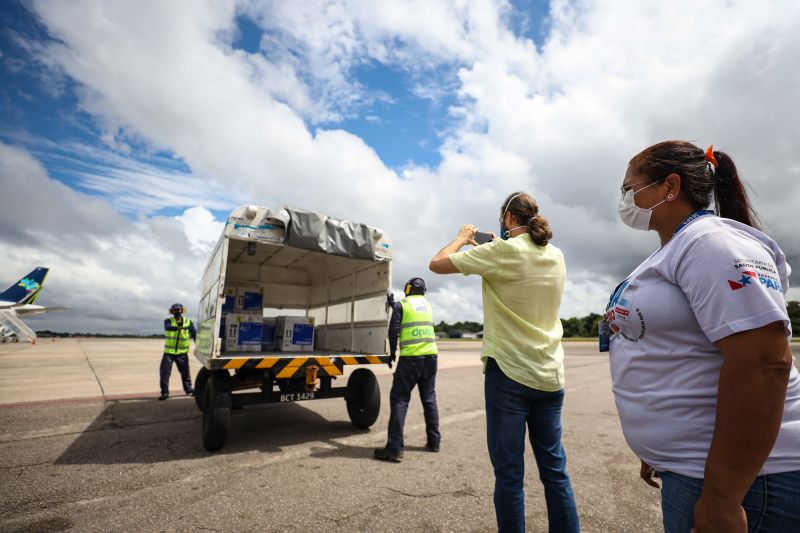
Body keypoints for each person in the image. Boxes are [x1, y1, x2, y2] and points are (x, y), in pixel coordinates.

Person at [606, 141, 800, 532]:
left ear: (670, 186)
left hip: (746, 482)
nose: (625, 198)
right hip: (695, 468)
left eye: (630, 188)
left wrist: (722, 498)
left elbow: (764, 364)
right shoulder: (679, 248)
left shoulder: (710, 242)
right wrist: (660, 446)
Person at [429, 193, 580, 533]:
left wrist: (463, 238)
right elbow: (521, 264)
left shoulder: (500, 252)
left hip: (509, 375)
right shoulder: (556, 255)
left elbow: (436, 263)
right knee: (555, 472)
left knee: (510, 476)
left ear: (509, 218)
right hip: (550, 374)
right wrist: (500, 246)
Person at [374, 277, 441, 462]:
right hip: (431, 357)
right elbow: (413, 312)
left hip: (411, 359)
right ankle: (434, 442)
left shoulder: (402, 305)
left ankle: (394, 448)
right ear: (424, 291)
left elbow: (394, 330)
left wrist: (392, 354)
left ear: (408, 289)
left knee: (400, 399)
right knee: (429, 398)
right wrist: (394, 305)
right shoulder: (428, 305)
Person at [159, 303, 196, 401]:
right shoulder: (168, 321)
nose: (177, 312)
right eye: (175, 310)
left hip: (182, 353)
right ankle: (165, 393)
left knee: (185, 372)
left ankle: (188, 390)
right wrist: (181, 328)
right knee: (164, 373)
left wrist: (198, 345)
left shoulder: (188, 322)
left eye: (179, 310)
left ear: (182, 310)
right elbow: (168, 327)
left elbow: (194, 334)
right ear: (172, 311)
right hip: (169, 353)